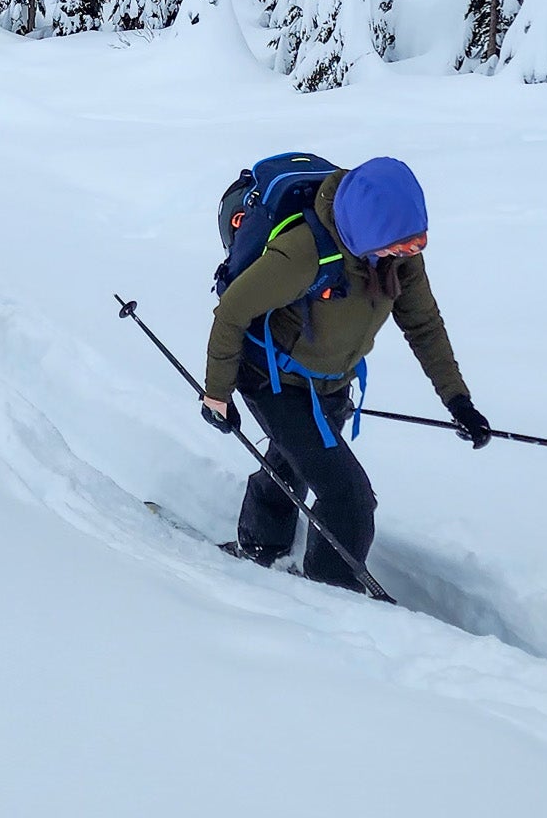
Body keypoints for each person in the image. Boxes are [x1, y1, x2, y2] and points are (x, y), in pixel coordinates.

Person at [202, 155, 489, 591]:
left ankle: (260, 548)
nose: (410, 254)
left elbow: (424, 325)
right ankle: (331, 599)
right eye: (402, 245)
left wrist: (458, 400)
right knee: (349, 500)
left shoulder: (396, 255)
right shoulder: (302, 253)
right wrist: (216, 395)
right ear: (369, 228)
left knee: (293, 463)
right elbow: (232, 313)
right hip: (272, 379)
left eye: (418, 244)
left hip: (332, 382)